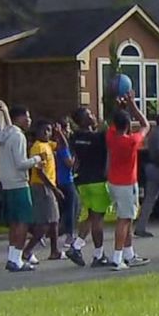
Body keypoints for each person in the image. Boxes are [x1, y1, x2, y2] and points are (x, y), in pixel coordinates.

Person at [105, 93, 152, 271]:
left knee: (127, 218)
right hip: (126, 183)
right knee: (124, 220)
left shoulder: (110, 136)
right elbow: (146, 125)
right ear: (128, 126)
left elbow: (115, 121)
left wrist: (121, 108)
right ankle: (117, 257)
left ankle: (128, 253)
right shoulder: (131, 141)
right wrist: (133, 105)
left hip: (114, 182)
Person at [0, 106, 43, 272]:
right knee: (23, 222)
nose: (29, 120)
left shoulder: (5, 134)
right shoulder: (18, 136)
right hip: (19, 182)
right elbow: (20, 163)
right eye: (27, 116)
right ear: (19, 117)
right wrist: (36, 159)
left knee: (14, 222)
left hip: (7, 183)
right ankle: (17, 258)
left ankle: (12, 257)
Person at [69, 107, 111, 267]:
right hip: (97, 181)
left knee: (92, 215)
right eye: (89, 115)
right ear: (83, 120)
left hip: (82, 181)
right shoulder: (97, 137)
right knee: (97, 219)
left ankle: (80, 246)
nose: (93, 116)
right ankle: (95, 253)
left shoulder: (76, 137)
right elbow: (112, 131)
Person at [21, 120, 65, 264]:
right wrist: (54, 189)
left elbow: (63, 146)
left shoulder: (48, 145)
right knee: (45, 223)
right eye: (45, 130)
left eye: (50, 130)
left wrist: (60, 134)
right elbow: (39, 172)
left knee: (54, 221)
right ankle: (27, 251)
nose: (48, 133)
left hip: (49, 186)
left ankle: (55, 251)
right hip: (42, 186)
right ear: (38, 131)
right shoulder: (38, 147)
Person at [55, 118, 79, 248]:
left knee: (69, 207)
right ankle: (69, 235)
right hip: (66, 181)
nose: (69, 131)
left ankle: (60, 231)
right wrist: (75, 160)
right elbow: (69, 163)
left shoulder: (62, 146)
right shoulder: (62, 147)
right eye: (67, 128)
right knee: (71, 208)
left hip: (64, 180)